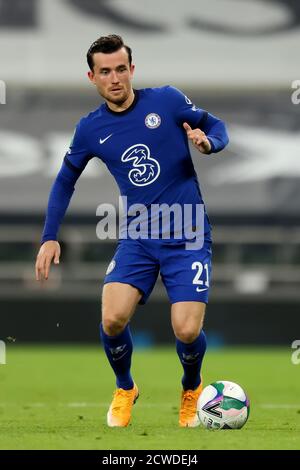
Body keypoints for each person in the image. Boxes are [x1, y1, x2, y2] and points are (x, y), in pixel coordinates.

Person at [35, 34, 229, 428]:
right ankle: (126, 387)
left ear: (132, 70)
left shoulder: (168, 100)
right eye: (105, 72)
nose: (115, 78)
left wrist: (208, 143)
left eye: (121, 69)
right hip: (138, 237)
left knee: (187, 330)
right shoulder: (90, 129)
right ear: (92, 77)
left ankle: (191, 387)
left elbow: (216, 126)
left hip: (187, 233)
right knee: (112, 319)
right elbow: (64, 182)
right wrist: (49, 236)